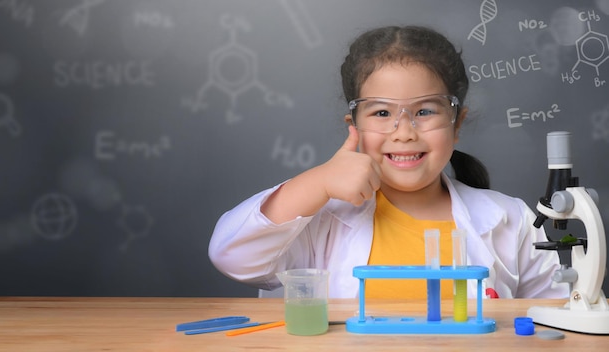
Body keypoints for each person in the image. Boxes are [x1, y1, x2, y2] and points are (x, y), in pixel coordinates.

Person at [208, 25, 568, 299]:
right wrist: (317, 182)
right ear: (355, 127)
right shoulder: (322, 220)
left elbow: (555, 315)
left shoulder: (512, 221)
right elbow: (233, 257)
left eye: (425, 111)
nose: (404, 132)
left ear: (456, 124)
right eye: (382, 112)